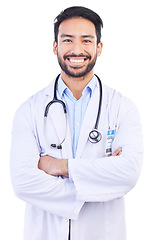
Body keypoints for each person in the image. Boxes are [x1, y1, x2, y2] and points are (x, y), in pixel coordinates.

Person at [10, 6, 143, 240]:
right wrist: (99, 179)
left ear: (99, 48)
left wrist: (60, 167)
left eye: (86, 41)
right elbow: (22, 182)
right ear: (55, 47)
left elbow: (128, 173)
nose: (77, 50)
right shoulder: (29, 110)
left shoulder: (123, 108)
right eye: (68, 40)